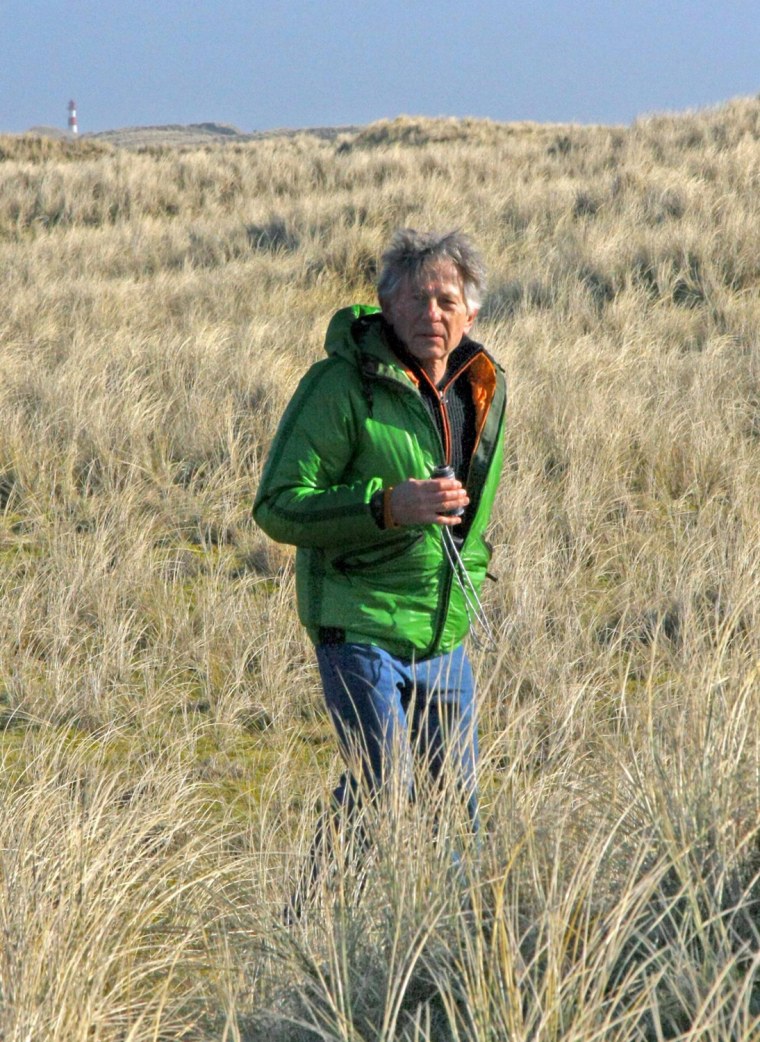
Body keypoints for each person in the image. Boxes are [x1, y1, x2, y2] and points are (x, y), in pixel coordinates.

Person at [253, 228, 506, 914]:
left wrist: (469, 572)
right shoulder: (340, 386)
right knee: (380, 786)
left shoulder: (484, 387)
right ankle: (307, 921)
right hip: (358, 620)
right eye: (417, 297)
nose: (433, 313)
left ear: (471, 313)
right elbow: (277, 506)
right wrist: (387, 507)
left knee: (455, 806)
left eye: (448, 299)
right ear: (384, 305)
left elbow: (472, 512)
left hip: (443, 631)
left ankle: (451, 939)